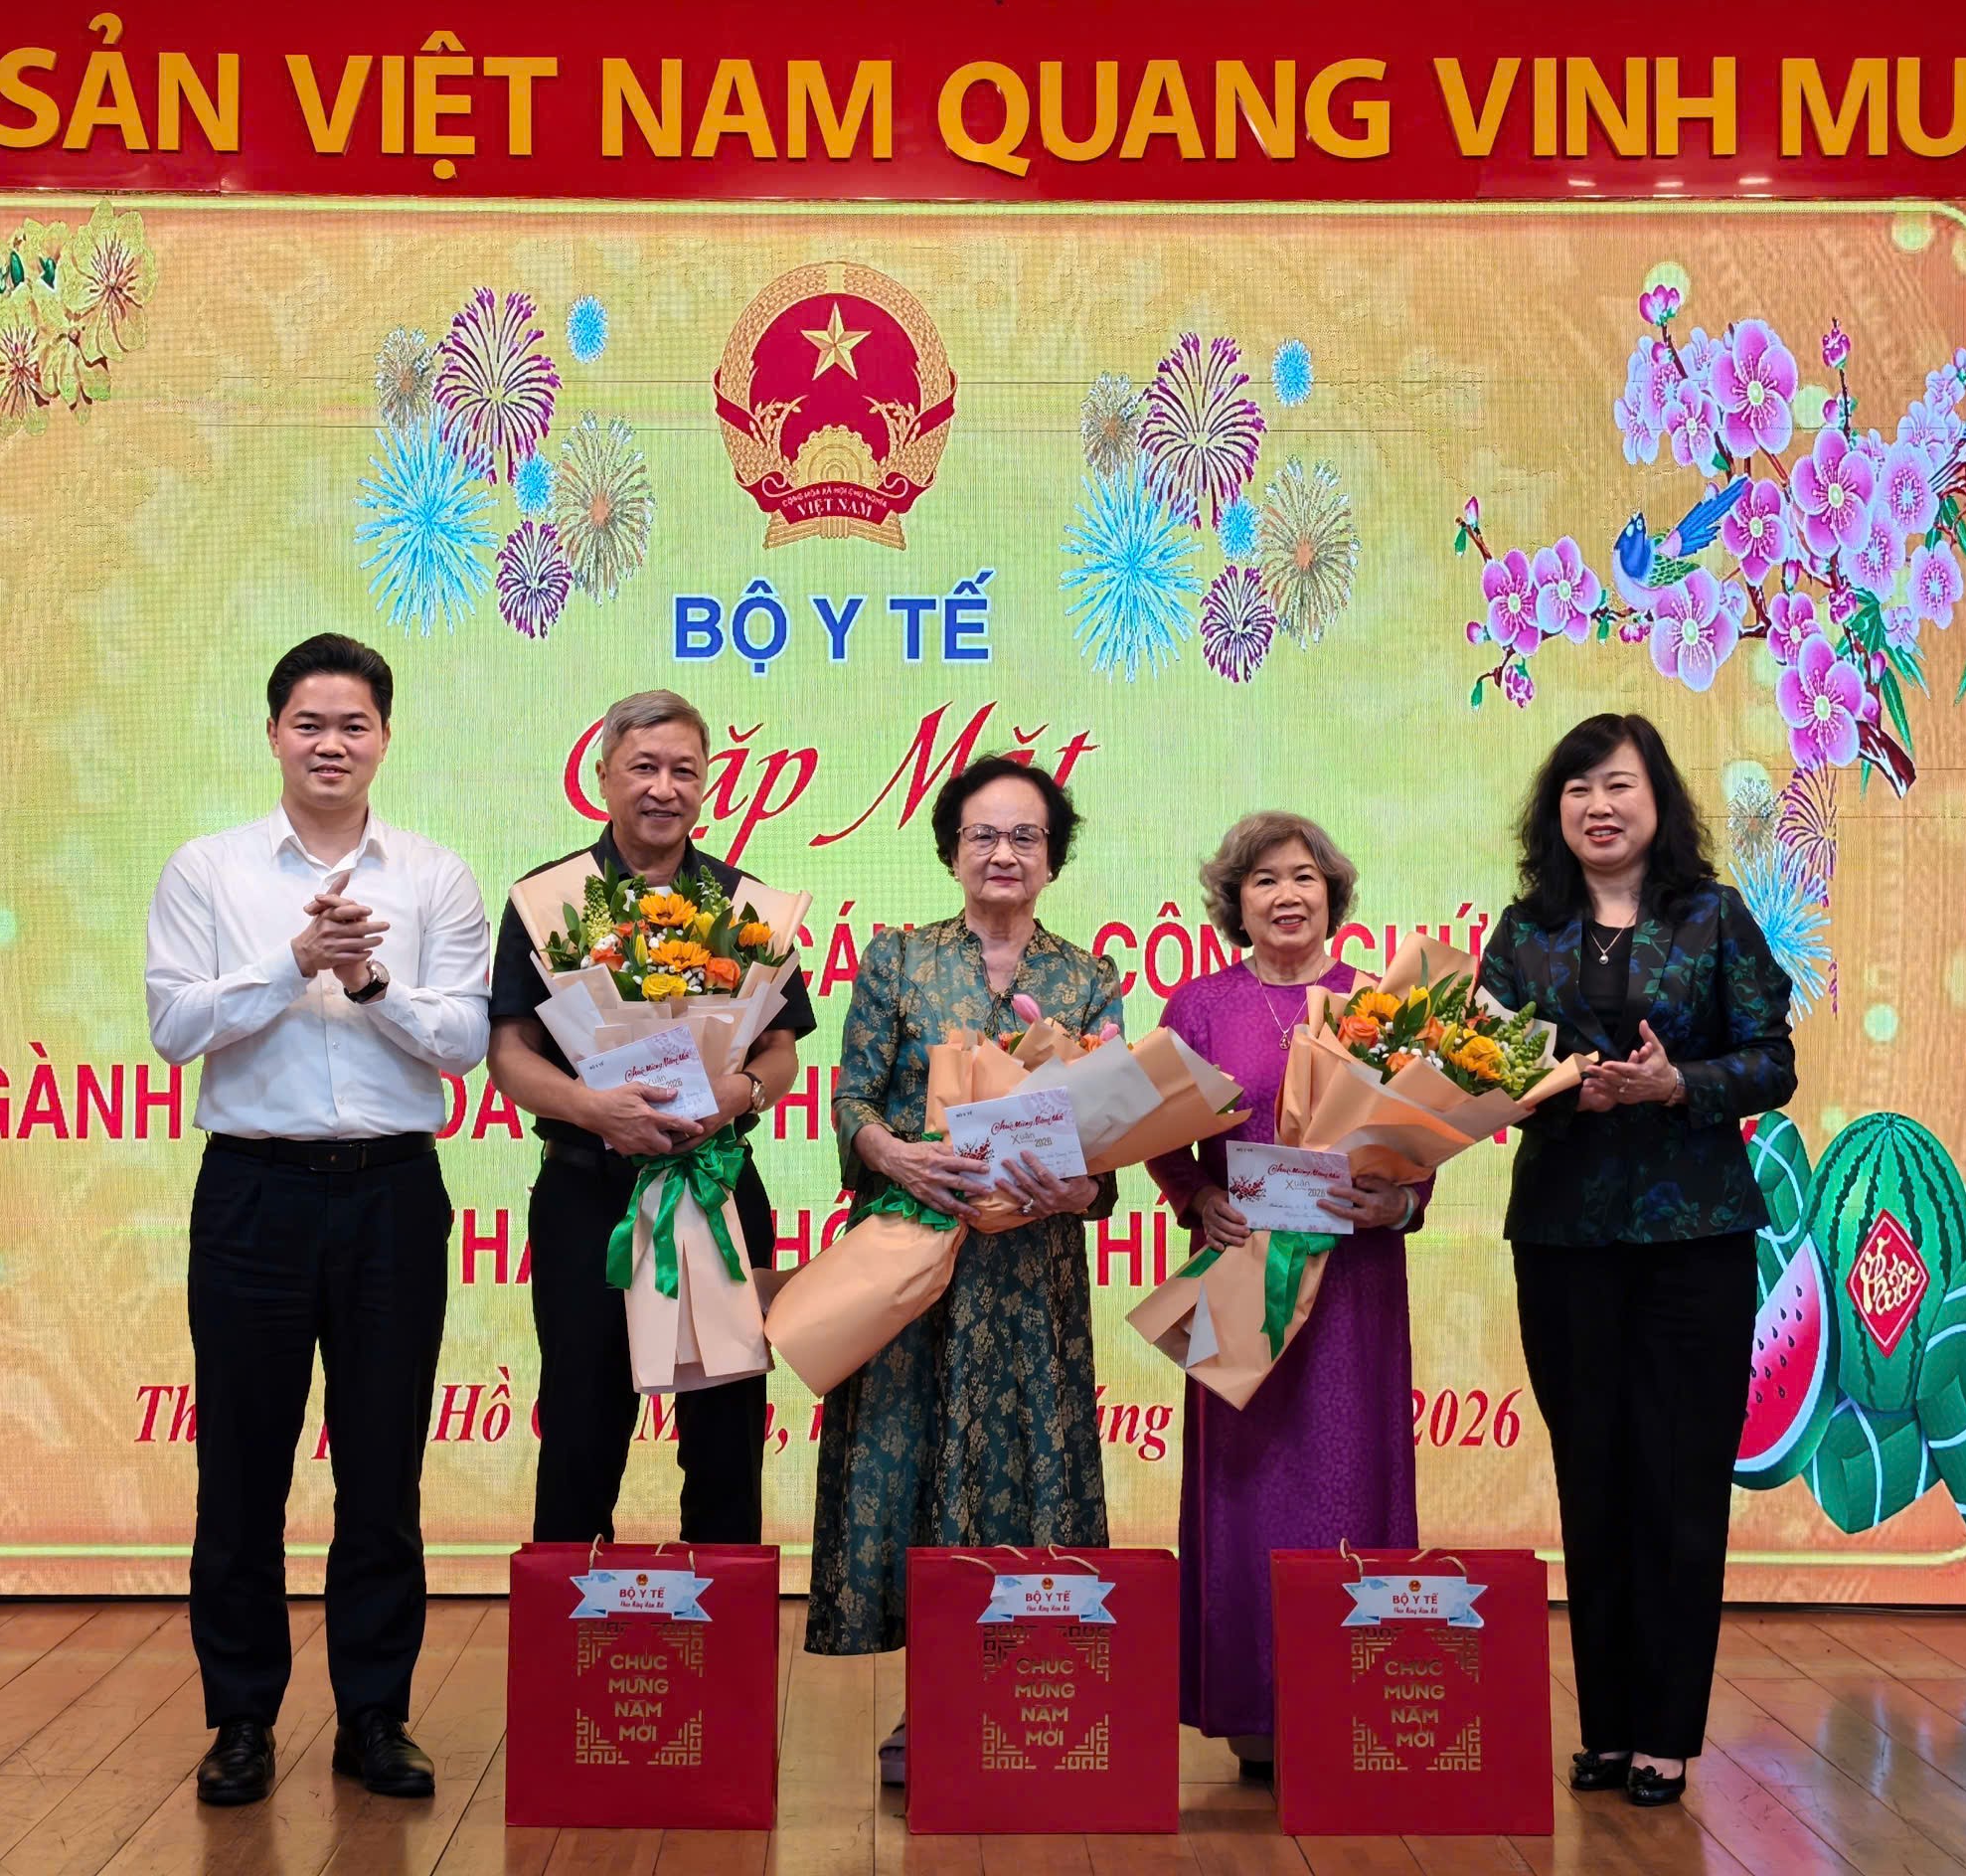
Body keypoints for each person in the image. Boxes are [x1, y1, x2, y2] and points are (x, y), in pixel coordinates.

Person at [145, 633, 492, 1806]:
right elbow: (174, 1028)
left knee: (383, 1465)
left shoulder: (434, 877)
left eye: (352, 725)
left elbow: (463, 1043)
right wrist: (292, 961)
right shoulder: (208, 870)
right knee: (242, 1467)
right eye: (309, 723)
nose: (330, 744)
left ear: (384, 738)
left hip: (393, 1191)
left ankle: (375, 1716)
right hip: (254, 1190)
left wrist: (371, 984)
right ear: (272, 734)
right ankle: (241, 1720)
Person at [1479, 712, 1794, 1808]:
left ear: (1656, 799)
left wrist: (1676, 1084)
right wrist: (1553, 1085)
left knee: (1678, 1482)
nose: (1597, 806)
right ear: (1554, 811)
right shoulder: (1523, 932)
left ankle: (1666, 1733)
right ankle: (1608, 1730)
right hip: (1564, 1237)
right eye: (1577, 789)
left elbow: (1771, 1061)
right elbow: (1482, 1070)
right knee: (1594, 1476)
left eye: (1617, 785)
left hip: (1693, 1241)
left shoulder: (1714, 917)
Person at [809, 755, 1125, 1787]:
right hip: (917, 1262)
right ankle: (931, 1704)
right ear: (951, 849)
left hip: (1031, 1274)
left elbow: (1113, 1144)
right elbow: (852, 1100)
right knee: (915, 1474)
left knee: (1024, 1477)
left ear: (1053, 859)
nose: (1003, 854)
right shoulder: (897, 960)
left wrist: (1080, 1190)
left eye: (1025, 837)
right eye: (983, 835)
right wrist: (894, 1154)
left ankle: (1026, 1695)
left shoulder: (1089, 980)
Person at [486, 690, 813, 1546]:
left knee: (726, 1425)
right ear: (603, 777)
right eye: (643, 767)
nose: (663, 788)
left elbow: (781, 1053)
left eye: (684, 771)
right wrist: (594, 1109)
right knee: (582, 1422)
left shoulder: (747, 908)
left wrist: (739, 1095)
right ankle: (573, 1620)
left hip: (715, 1186)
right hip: (588, 1194)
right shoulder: (552, 904)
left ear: (706, 785)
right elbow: (510, 1054)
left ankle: (725, 1616)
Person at [1145, 812, 1424, 1783]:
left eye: (1303, 876)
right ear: (1237, 902)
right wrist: (1198, 1198)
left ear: (1332, 894)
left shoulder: (1379, 1006)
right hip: (1240, 1275)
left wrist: (1401, 1202)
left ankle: (1354, 1701)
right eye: (1263, 880)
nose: (1286, 895)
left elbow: (1423, 1142)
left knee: (1355, 1475)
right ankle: (1251, 1708)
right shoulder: (1198, 1007)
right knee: (1243, 1489)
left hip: (1353, 1282)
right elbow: (1155, 1133)